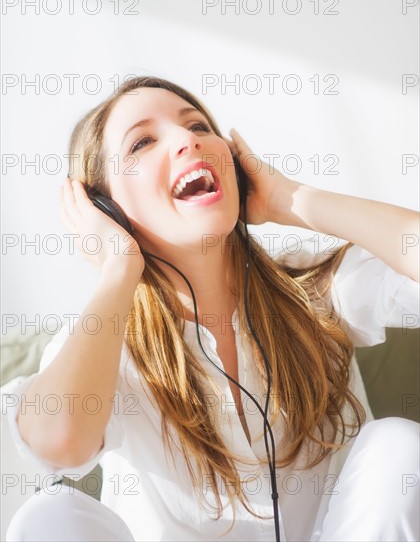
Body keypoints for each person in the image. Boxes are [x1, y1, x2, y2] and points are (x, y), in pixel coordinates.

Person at [5, 76, 420, 541]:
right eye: (142, 141)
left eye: (198, 124)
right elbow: (58, 445)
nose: (188, 140)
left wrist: (291, 200)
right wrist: (118, 270)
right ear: (106, 209)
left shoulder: (314, 291)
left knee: (398, 448)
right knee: (51, 515)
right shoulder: (105, 343)